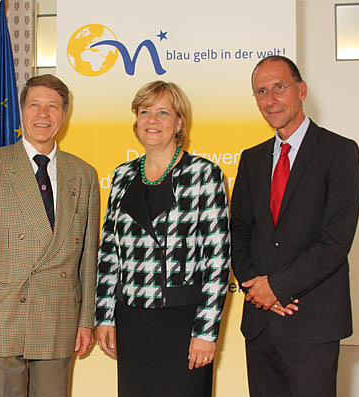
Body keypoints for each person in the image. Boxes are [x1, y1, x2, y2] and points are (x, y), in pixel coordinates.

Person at [0, 74, 100, 397]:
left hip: (58, 316)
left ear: (64, 115)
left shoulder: (83, 174)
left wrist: (85, 320)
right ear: (22, 111)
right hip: (0, 318)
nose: (43, 114)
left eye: (53, 107)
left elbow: (88, 258)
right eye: (35, 105)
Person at [231, 56, 359, 397]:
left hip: (313, 322)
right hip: (260, 322)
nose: (270, 100)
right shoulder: (251, 158)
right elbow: (239, 232)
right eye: (261, 91)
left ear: (301, 90)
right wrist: (257, 291)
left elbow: (335, 242)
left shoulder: (340, 152)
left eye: (279, 88)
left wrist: (278, 286)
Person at [95, 81, 231, 397]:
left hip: (183, 322)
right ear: (136, 121)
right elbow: (109, 253)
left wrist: (206, 332)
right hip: (133, 321)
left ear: (179, 122)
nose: (152, 121)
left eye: (163, 112)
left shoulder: (203, 174)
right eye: (145, 112)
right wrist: (104, 316)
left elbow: (218, 259)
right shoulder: (122, 176)